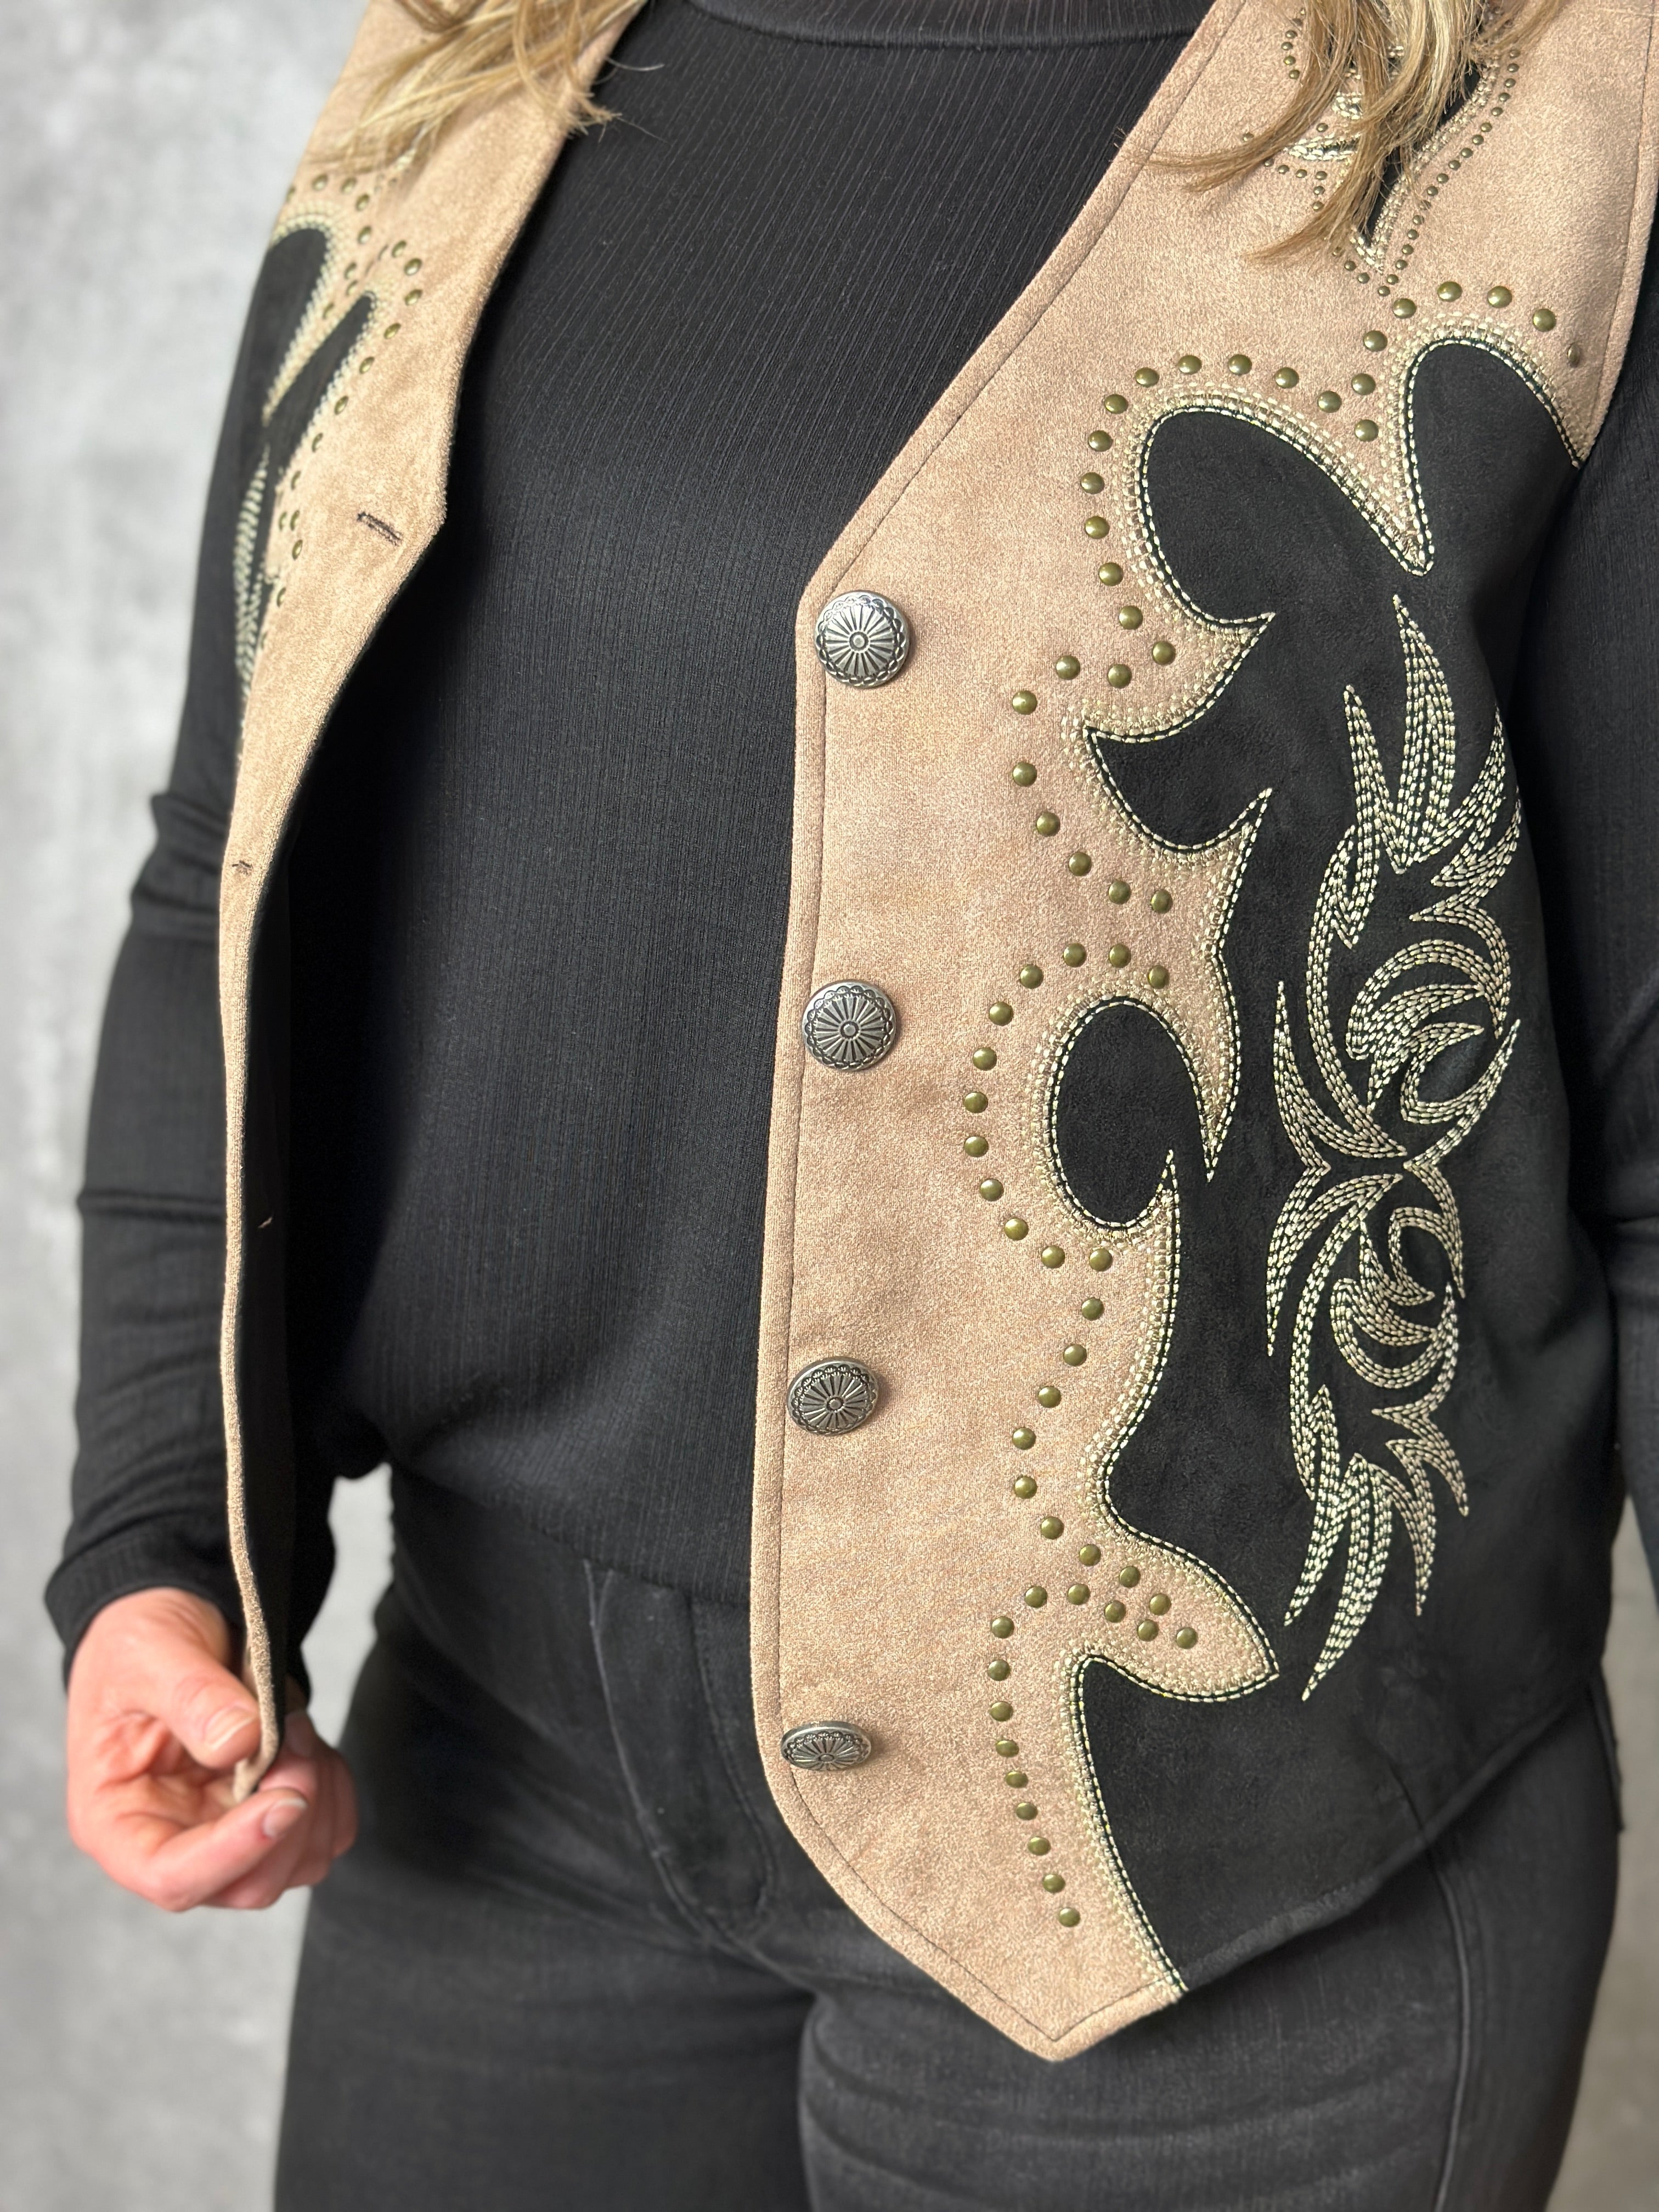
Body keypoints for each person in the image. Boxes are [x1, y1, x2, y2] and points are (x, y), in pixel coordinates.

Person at [49, 0, 1659, 2201]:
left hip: (1218, 1877)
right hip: (500, 1773)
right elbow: (224, 868)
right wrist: (160, 1544)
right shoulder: (473, 55)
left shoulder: (1562, 120)